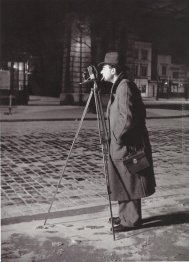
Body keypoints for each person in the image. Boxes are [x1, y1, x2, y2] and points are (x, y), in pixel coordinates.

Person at [98, 51, 156, 232]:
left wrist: (116, 138)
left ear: (113, 70)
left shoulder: (124, 87)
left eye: (104, 69)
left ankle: (131, 220)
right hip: (122, 144)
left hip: (127, 146)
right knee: (122, 180)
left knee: (129, 180)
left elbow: (128, 119)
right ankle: (125, 215)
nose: (101, 73)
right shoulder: (119, 86)